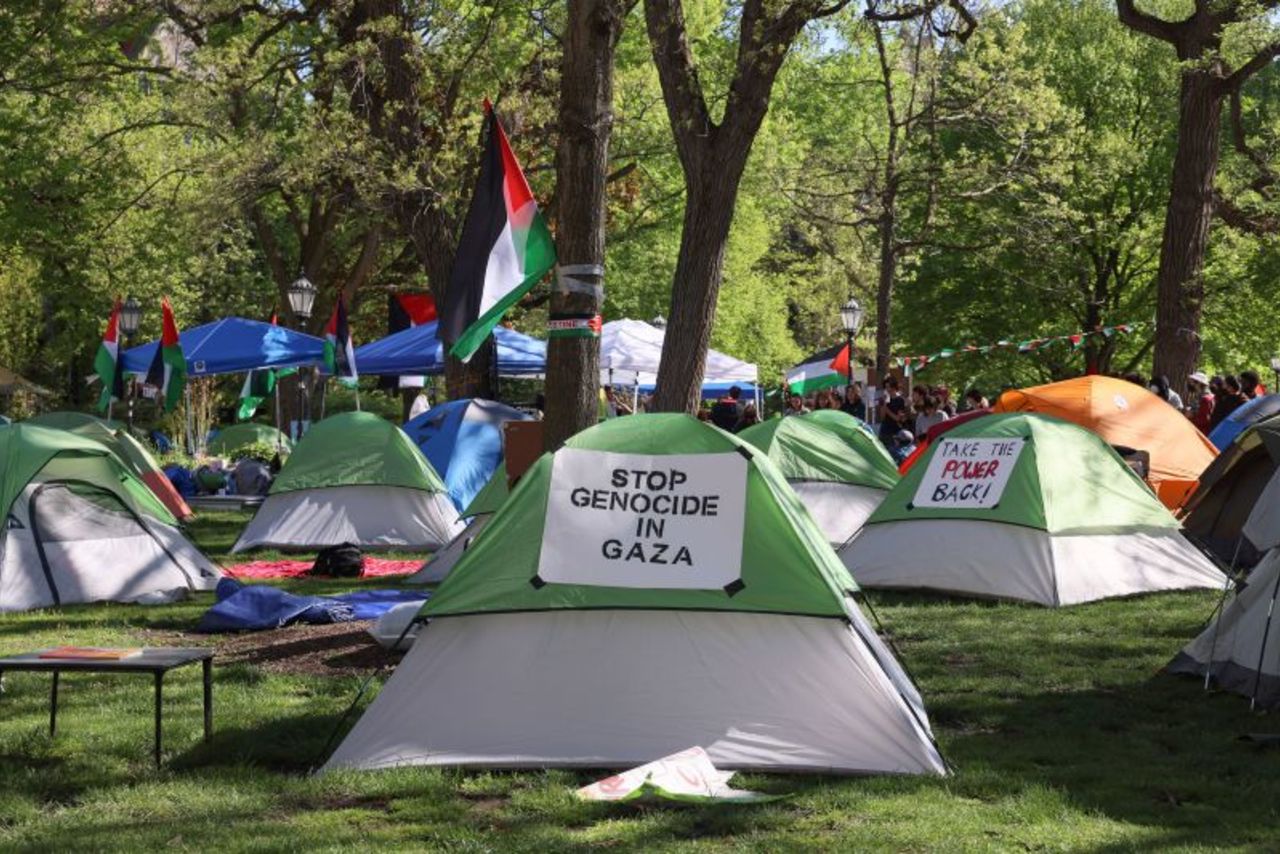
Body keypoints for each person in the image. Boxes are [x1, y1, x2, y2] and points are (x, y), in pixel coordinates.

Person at [878, 377, 908, 444]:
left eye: (889, 387)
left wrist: (887, 410)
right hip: (884, 430)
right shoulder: (883, 400)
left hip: (895, 431)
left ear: (894, 387)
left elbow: (897, 418)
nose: (888, 389)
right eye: (886, 387)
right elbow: (882, 417)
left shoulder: (900, 400)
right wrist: (884, 404)